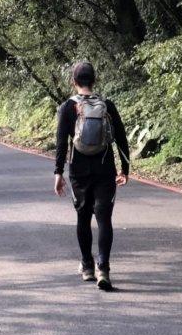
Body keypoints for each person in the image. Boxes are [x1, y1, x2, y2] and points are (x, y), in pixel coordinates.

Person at [54, 61, 129, 291]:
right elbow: (121, 138)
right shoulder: (107, 105)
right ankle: (103, 268)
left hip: (79, 171)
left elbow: (61, 142)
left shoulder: (68, 107)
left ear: (74, 82)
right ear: (94, 80)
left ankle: (87, 266)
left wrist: (58, 172)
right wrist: (125, 169)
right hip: (105, 169)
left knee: (83, 217)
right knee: (104, 219)